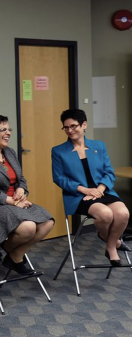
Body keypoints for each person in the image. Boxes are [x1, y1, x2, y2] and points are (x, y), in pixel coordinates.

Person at [0, 115, 54, 275]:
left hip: (13, 203)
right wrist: (11, 201)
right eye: (3, 130)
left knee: (47, 222)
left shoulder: (10, 152)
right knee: (28, 227)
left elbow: (20, 178)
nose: (8, 133)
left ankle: (14, 255)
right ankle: (6, 249)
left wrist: (21, 189)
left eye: (9, 129)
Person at [52, 109, 130, 266]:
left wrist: (100, 189)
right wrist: (84, 190)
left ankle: (109, 245)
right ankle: (112, 242)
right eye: (66, 127)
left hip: (102, 191)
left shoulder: (99, 146)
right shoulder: (58, 151)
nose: (70, 130)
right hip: (78, 195)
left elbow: (109, 172)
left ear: (84, 125)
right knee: (106, 214)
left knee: (123, 213)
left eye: (74, 126)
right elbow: (59, 178)